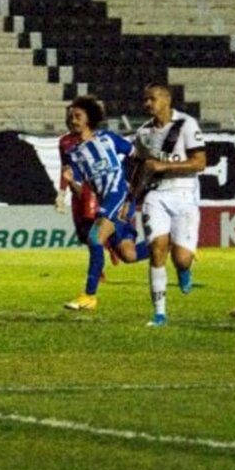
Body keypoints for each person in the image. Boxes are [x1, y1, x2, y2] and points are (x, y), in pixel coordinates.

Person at [61, 95, 148, 311]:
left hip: (119, 195)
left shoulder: (107, 138)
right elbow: (81, 192)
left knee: (94, 238)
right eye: (70, 116)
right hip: (105, 200)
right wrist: (71, 182)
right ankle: (171, 243)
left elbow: (139, 157)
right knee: (128, 255)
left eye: (77, 116)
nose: (73, 120)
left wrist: (132, 189)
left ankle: (89, 295)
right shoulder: (74, 155)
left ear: (89, 118)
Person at [130, 84, 206, 327]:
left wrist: (164, 166)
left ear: (167, 100)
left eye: (151, 99)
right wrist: (132, 197)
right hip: (156, 196)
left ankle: (184, 270)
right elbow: (141, 167)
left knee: (181, 258)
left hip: (184, 195)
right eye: (145, 100)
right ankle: (159, 313)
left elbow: (199, 163)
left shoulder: (186, 125)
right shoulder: (143, 134)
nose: (147, 104)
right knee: (156, 250)